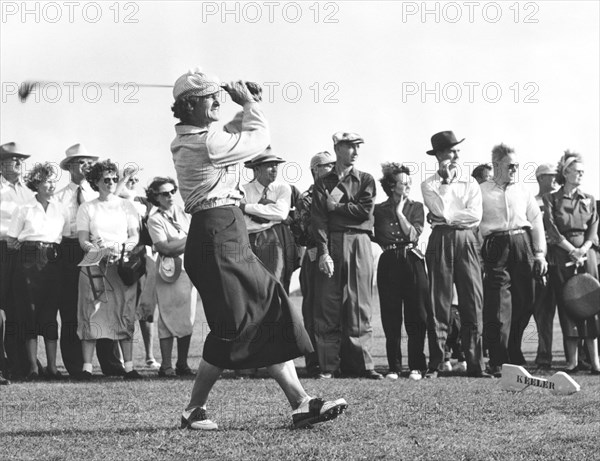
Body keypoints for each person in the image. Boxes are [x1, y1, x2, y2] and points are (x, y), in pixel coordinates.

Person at [170, 68, 346, 430]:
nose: (217, 101)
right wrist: (249, 103)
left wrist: (246, 104)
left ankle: (300, 402)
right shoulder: (201, 142)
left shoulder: (206, 137)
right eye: (209, 97)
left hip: (228, 232)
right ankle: (193, 409)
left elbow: (238, 129)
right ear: (190, 105)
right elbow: (258, 137)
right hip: (215, 236)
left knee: (269, 309)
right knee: (232, 327)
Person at [311, 131, 382, 380]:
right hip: (332, 242)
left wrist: (337, 208)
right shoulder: (323, 183)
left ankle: (363, 365)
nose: (355, 151)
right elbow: (319, 219)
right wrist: (323, 253)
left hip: (360, 243)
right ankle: (329, 366)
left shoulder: (365, 179)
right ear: (337, 148)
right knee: (328, 306)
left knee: (359, 303)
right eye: (350, 146)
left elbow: (365, 211)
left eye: (357, 147)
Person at [421, 131, 488, 378]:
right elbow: (438, 210)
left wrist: (447, 216)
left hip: (467, 241)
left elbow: (475, 216)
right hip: (440, 241)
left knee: (473, 301)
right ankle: (437, 363)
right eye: (451, 151)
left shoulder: (471, 183)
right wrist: (447, 185)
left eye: (458, 150)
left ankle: (476, 364)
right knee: (439, 302)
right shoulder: (428, 184)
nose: (457, 155)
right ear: (439, 155)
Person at [55, 144, 126, 378]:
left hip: (100, 251)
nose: (86, 166)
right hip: (69, 250)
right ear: (70, 167)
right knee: (71, 308)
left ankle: (111, 363)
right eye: (81, 162)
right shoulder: (59, 197)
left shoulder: (100, 195)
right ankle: (77, 366)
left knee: (104, 306)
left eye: (88, 162)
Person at [479, 144, 548, 376]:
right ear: (497, 165)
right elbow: (475, 224)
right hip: (495, 246)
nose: (515, 169)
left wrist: (539, 253)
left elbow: (536, 221)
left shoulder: (523, 191)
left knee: (526, 300)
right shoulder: (481, 191)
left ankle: (514, 350)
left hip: (522, 243)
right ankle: (498, 359)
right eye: (510, 165)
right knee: (498, 304)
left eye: (517, 165)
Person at [76, 159, 143, 380]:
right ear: (96, 181)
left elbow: (134, 236)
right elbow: (82, 240)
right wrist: (97, 248)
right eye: (106, 179)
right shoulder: (87, 207)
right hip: (95, 263)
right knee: (90, 311)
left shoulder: (127, 206)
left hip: (121, 264)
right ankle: (87, 368)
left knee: (125, 311)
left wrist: (122, 249)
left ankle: (129, 367)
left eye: (115, 178)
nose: (112, 182)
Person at [8, 162, 70, 380]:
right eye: (46, 181)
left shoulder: (60, 207)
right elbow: (11, 239)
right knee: (29, 312)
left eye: (53, 180)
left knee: (50, 312)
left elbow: (67, 232)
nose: (51, 185)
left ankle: (53, 367)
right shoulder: (24, 208)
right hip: (28, 261)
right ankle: (33, 367)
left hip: (53, 258)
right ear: (36, 183)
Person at [543, 151, 600, 374]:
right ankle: (572, 362)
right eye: (577, 171)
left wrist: (584, 249)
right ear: (565, 172)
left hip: (588, 256)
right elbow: (551, 228)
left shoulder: (589, 199)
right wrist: (571, 250)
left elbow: (593, 226)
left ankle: (595, 361)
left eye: (583, 172)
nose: (581, 175)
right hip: (562, 255)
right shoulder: (552, 199)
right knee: (568, 304)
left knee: (591, 302)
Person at [374, 163, 429, 381]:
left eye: (409, 182)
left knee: (417, 315)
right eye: (402, 182)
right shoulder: (378, 209)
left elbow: (413, 235)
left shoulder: (416, 207)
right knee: (391, 315)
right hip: (389, 260)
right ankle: (394, 367)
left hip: (412, 260)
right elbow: (374, 234)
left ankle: (416, 366)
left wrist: (399, 212)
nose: (407, 185)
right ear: (391, 185)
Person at [146, 177, 196, 377]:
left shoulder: (185, 214)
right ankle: (166, 365)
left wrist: (183, 243)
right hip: (167, 271)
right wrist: (190, 240)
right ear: (155, 196)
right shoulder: (154, 219)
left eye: (172, 192)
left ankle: (182, 363)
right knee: (166, 316)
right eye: (165, 193)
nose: (170, 196)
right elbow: (163, 247)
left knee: (188, 317)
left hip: (188, 270)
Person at [294, 151, 336, 377]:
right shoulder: (306, 198)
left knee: (334, 311)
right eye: (326, 166)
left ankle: (335, 361)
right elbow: (305, 232)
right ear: (315, 171)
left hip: (336, 257)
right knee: (313, 312)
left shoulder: (340, 193)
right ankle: (315, 362)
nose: (331, 169)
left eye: (333, 166)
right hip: (314, 257)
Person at [117, 166, 161, 371]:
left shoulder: (146, 203)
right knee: (123, 306)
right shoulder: (115, 201)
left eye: (135, 179)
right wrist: (121, 182)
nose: (131, 182)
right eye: (128, 178)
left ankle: (150, 356)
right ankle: (122, 358)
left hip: (145, 256)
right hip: (123, 256)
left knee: (146, 308)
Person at [0, 142, 35, 382]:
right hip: (2, 248)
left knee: (18, 307)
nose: (19, 164)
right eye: (14, 159)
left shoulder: (28, 192)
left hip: (23, 252)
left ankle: (19, 362)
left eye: (21, 160)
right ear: (2, 164)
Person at [241, 149, 296, 293]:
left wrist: (246, 208)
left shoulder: (282, 188)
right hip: (250, 241)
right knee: (253, 286)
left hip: (276, 240)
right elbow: (245, 224)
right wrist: (271, 216)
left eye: (276, 165)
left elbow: (281, 214)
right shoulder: (243, 190)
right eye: (269, 165)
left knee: (276, 283)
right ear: (257, 169)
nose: (274, 169)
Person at [521, 163, 559, 370]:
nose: (554, 179)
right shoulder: (532, 202)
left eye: (555, 176)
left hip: (558, 259)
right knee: (530, 309)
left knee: (549, 313)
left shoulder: (559, 201)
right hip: (535, 259)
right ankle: (512, 352)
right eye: (549, 176)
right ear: (539, 178)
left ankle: (545, 356)